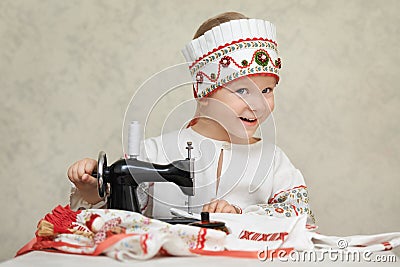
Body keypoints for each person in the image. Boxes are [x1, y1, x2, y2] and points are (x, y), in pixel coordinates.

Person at [68, 12, 314, 222]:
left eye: (267, 90)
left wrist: (240, 213)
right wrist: (92, 190)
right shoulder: (155, 152)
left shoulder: (273, 161)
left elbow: (301, 214)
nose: (258, 103)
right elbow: (115, 218)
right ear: (203, 93)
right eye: (242, 91)